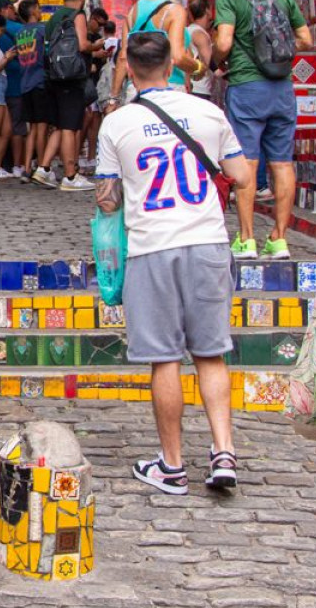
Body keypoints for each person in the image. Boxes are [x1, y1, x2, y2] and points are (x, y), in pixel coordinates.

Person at [95, 31, 253, 497]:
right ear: (172, 65)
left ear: (129, 65)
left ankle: (173, 463)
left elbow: (107, 202)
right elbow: (241, 176)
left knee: (164, 358)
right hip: (207, 241)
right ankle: (224, 451)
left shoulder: (117, 124)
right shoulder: (209, 112)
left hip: (152, 248)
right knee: (211, 352)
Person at [214, 0, 313, 259]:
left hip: (246, 87)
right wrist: (277, 53)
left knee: (248, 162)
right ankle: (279, 238)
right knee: (282, 163)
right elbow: (306, 39)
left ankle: (246, 239)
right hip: (282, 87)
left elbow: (225, 43)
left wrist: (216, 60)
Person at [109, 0, 204, 106]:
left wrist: (113, 98)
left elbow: (123, 57)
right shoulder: (175, 10)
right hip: (169, 89)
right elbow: (177, 57)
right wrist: (198, 67)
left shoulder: (134, 10)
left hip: (136, 91)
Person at [41, 0, 98, 192]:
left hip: (53, 74)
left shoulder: (53, 18)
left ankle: (44, 168)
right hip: (71, 76)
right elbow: (83, 45)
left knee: (59, 124)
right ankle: (71, 175)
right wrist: (97, 46)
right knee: (70, 126)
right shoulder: (78, 15)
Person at [7, 0, 47, 181]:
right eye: (38, 8)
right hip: (39, 80)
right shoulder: (41, 30)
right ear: (33, 12)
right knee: (41, 126)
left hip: (24, 82)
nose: (40, 11)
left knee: (31, 128)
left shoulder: (20, 33)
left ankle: (27, 167)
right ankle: (41, 167)